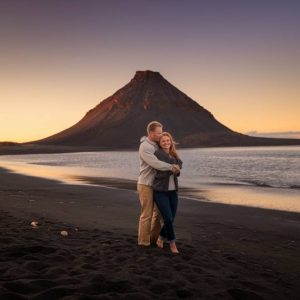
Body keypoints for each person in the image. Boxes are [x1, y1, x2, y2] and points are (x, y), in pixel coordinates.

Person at [137, 121, 180, 247]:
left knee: (158, 214)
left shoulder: (156, 143)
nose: (161, 135)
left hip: (157, 185)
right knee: (147, 214)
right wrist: (171, 167)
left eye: (161, 132)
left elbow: (167, 153)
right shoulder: (145, 147)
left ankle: (155, 238)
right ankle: (143, 242)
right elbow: (155, 163)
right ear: (151, 133)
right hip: (145, 184)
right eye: (158, 133)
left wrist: (177, 163)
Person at [152, 132, 182, 254]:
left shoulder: (173, 154)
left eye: (168, 140)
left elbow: (180, 164)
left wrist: (177, 168)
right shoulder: (158, 154)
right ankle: (172, 243)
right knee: (168, 218)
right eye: (163, 141)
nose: (166, 142)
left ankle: (160, 237)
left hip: (173, 192)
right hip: (160, 191)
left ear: (171, 141)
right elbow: (163, 167)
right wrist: (173, 168)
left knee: (171, 218)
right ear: (159, 143)